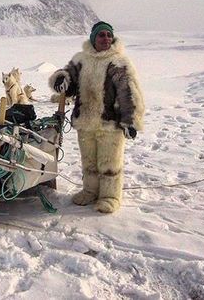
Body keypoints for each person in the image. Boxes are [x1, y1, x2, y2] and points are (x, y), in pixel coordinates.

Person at [49, 21, 145, 213]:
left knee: (109, 163)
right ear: (93, 38)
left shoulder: (118, 61)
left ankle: (110, 197)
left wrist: (130, 120)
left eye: (109, 35)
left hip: (110, 124)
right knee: (90, 162)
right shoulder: (81, 59)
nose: (106, 39)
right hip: (85, 122)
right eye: (101, 35)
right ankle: (90, 191)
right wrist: (61, 80)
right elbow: (68, 77)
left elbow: (129, 93)